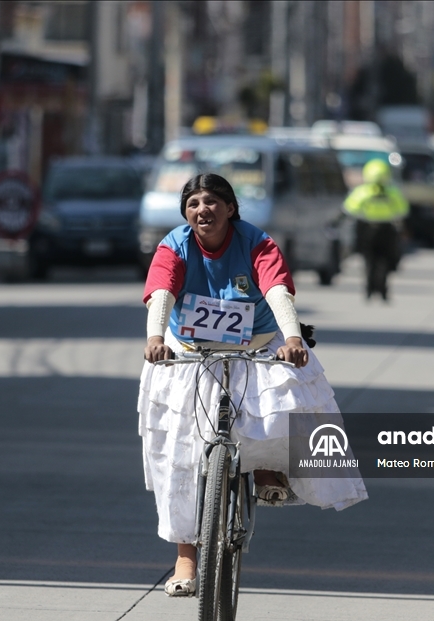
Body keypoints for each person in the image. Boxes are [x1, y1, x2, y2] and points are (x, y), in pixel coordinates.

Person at [140, 173, 368, 597]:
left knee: (288, 400)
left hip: (261, 343)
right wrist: (155, 339)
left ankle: (267, 467)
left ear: (230, 208)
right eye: (193, 204)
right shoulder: (175, 244)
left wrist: (294, 338)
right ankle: (186, 557)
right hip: (190, 349)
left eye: (211, 202)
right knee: (182, 453)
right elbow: (160, 292)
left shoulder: (257, 242)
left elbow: (278, 288)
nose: (202, 210)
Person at [343, 159, 410, 300]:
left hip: (367, 230)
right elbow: (403, 211)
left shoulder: (362, 191)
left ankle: (369, 288)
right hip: (387, 231)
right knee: (386, 260)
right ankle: (382, 289)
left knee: (369, 260)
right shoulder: (393, 191)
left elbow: (350, 209)